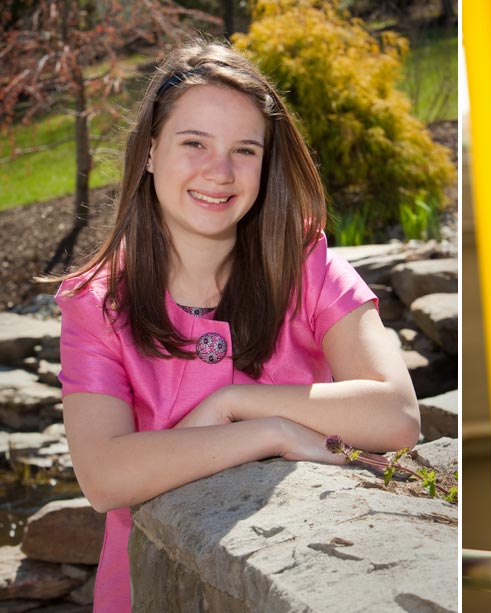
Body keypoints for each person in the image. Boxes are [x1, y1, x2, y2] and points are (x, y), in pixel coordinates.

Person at [55, 41, 420, 612]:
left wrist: (234, 402)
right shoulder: (95, 301)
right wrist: (268, 430)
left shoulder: (308, 265)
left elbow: (396, 415)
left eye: (245, 150)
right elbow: (103, 477)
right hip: (150, 588)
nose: (219, 172)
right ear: (149, 151)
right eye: (194, 142)